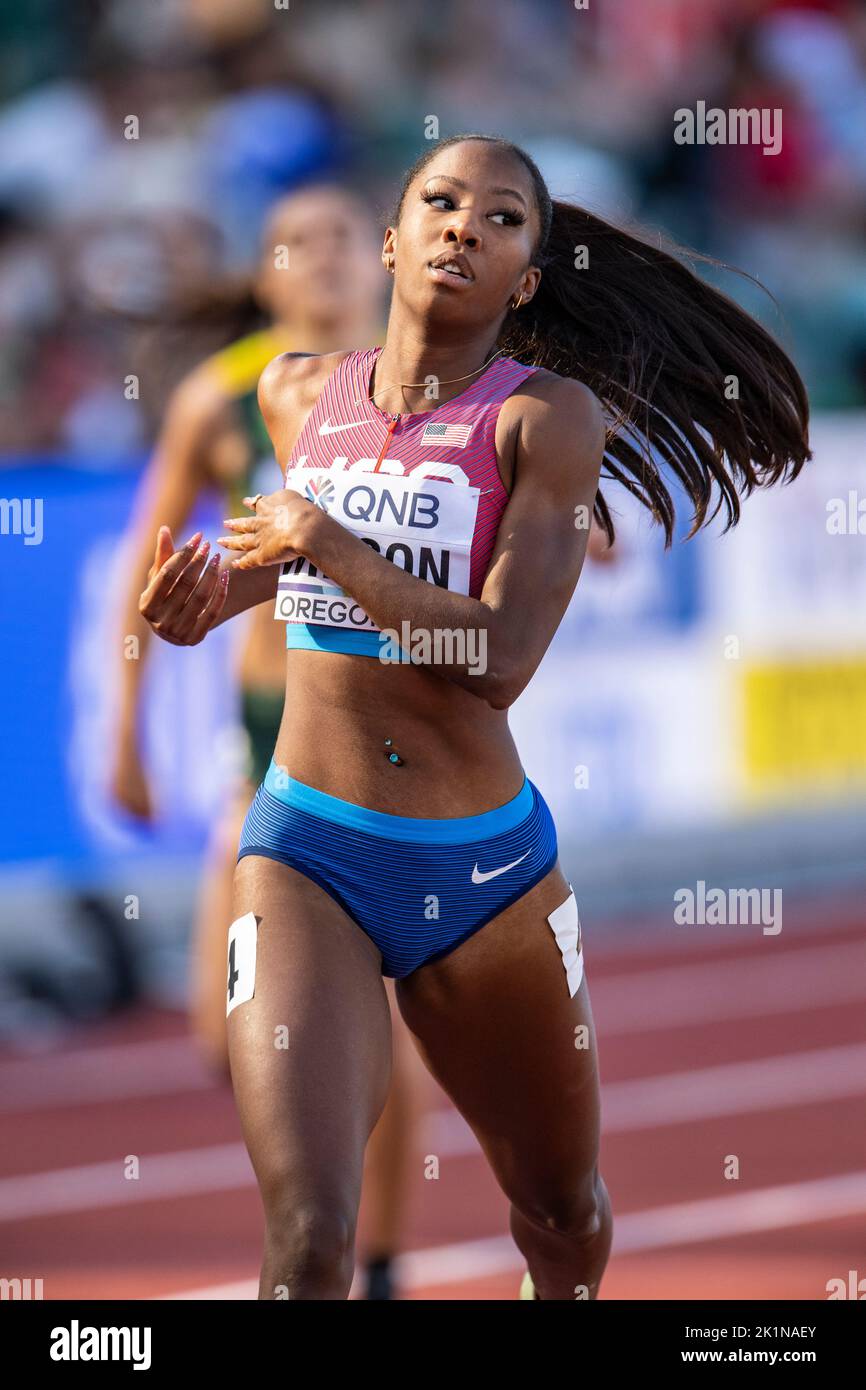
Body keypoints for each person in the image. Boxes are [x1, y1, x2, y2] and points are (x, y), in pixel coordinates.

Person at [137, 133, 810, 1300]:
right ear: (391, 242)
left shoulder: (543, 424)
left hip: (481, 873)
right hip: (304, 848)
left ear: (526, 279)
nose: (462, 227)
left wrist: (326, 544)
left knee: (559, 1213)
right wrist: (207, 601)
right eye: (439, 204)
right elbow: (278, 572)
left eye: (500, 220)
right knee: (305, 1239)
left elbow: (493, 658)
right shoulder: (297, 390)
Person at [113, 184, 420, 1299]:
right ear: (266, 272)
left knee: (362, 1026)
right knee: (228, 1033)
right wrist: (126, 735)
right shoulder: (221, 399)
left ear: (382, 259)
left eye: (346, 238)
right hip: (260, 737)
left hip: (385, 740)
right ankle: (323, 1207)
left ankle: (369, 1258)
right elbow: (144, 572)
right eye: (299, 243)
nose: (325, 260)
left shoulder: (422, 388)